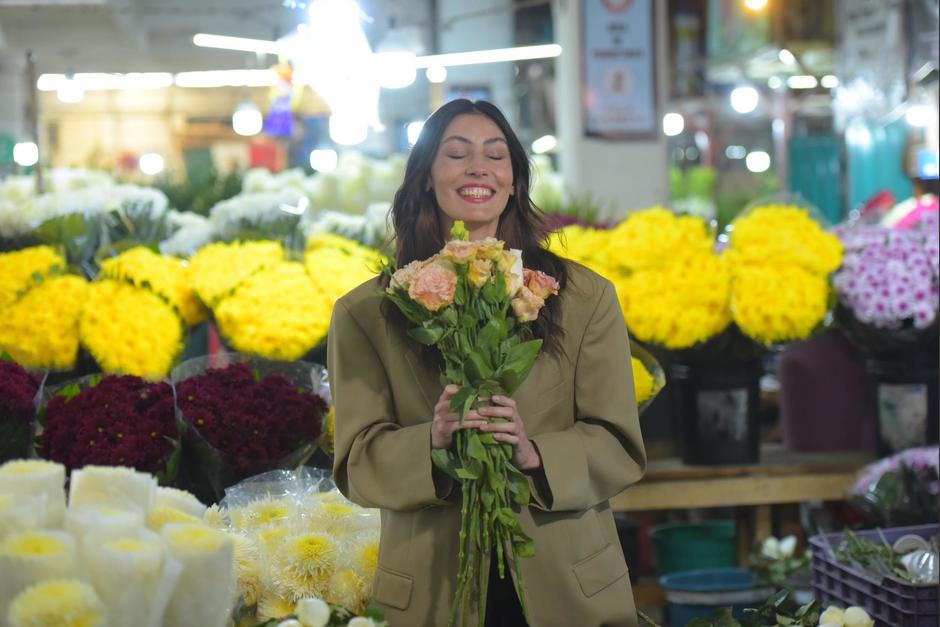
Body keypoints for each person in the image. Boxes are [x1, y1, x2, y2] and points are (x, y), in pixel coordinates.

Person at [327, 99, 647, 627]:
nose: (479, 167)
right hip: (434, 588)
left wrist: (535, 452)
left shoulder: (583, 297)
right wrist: (431, 440)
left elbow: (620, 443)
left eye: (496, 156)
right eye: (456, 154)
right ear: (427, 177)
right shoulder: (366, 313)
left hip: (569, 585)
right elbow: (357, 463)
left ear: (515, 181)